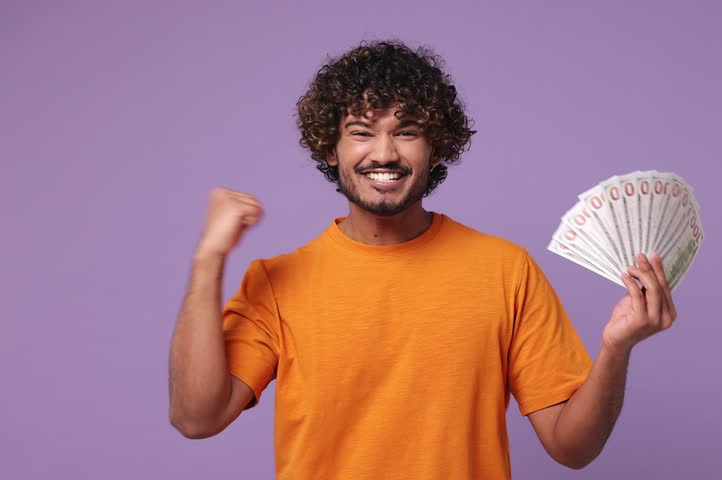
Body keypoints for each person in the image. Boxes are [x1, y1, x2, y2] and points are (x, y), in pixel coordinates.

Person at [168, 40, 677, 479]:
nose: (384, 153)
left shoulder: (505, 270)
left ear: (436, 148)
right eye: (362, 132)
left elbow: (573, 448)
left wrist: (616, 347)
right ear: (331, 148)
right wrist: (208, 259)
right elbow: (196, 419)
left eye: (407, 131)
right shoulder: (275, 283)